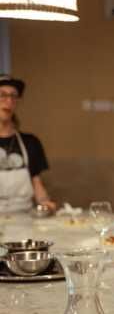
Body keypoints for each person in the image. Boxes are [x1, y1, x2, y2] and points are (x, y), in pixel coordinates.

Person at [0, 75, 56, 213]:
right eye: (2, 95)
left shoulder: (30, 142)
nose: (9, 101)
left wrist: (45, 203)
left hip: (24, 217)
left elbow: (36, 183)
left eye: (14, 96)